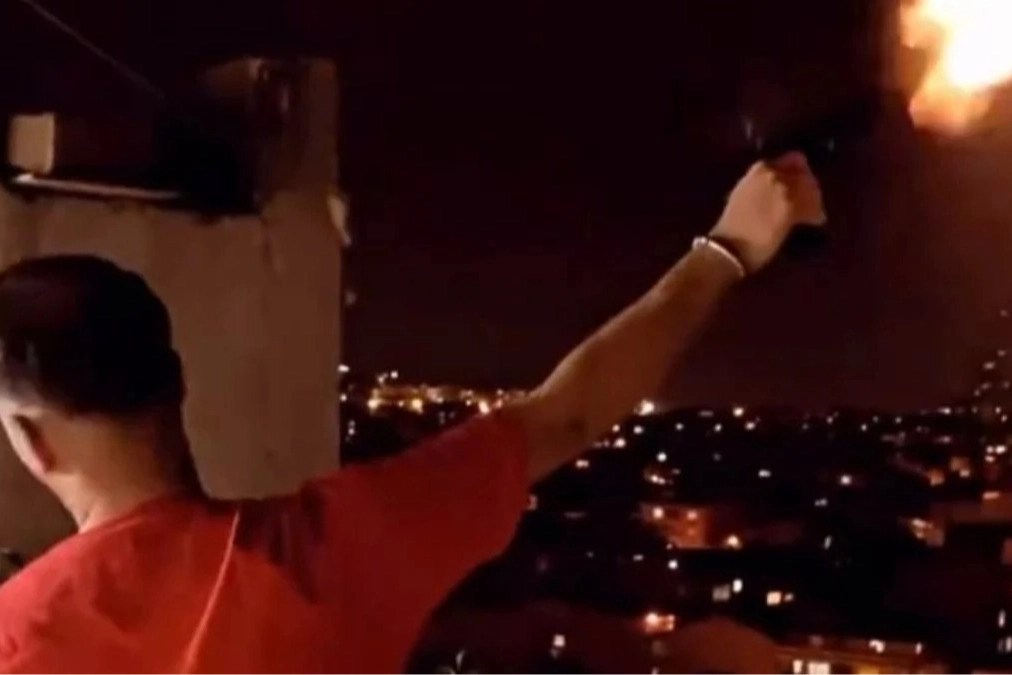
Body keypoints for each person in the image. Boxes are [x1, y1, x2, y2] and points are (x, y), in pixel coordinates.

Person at [0, 154, 823, 675]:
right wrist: (728, 247)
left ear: (32, 441)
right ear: (177, 385)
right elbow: (567, 415)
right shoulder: (340, 548)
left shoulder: (19, 637)